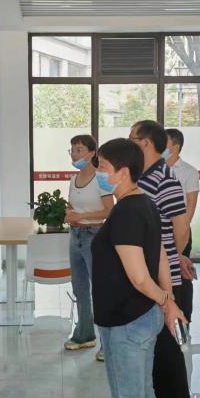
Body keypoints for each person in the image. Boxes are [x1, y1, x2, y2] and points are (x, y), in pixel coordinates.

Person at [91, 138, 187, 398]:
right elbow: (161, 256)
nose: (98, 173)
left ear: (122, 172)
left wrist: (166, 301)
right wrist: (168, 300)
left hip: (127, 322)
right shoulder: (144, 202)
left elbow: (140, 278)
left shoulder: (127, 212)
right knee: (143, 396)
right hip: (140, 316)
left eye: (102, 167)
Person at [130, 120, 193, 398]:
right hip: (147, 273)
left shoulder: (165, 179)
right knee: (153, 342)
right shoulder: (140, 176)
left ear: (146, 143)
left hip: (164, 274)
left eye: (133, 138)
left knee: (168, 344)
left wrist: (173, 257)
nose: (129, 143)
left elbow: (181, 227)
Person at [64, 134, 114, 361]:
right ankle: (84, 335)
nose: (75, 154)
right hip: (75, 236)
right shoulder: (73, 179)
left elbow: (109, 211)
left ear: (92, 153)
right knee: (80, 288)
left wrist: (82, 216)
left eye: (79, 150)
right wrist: (69, 213)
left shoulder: (101, 179)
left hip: (95, 236)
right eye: (72, 150)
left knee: (101, 290)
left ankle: (107, 343)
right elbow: (71, 205)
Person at [165, 128, 200, 322]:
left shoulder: (188, 171)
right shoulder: (152, 170)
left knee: (181, 275)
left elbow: (191, 205)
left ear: (176, 147)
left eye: (164, 144)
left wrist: (181, 233)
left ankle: (185, 319)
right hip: (159, 233)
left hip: (180, 231)